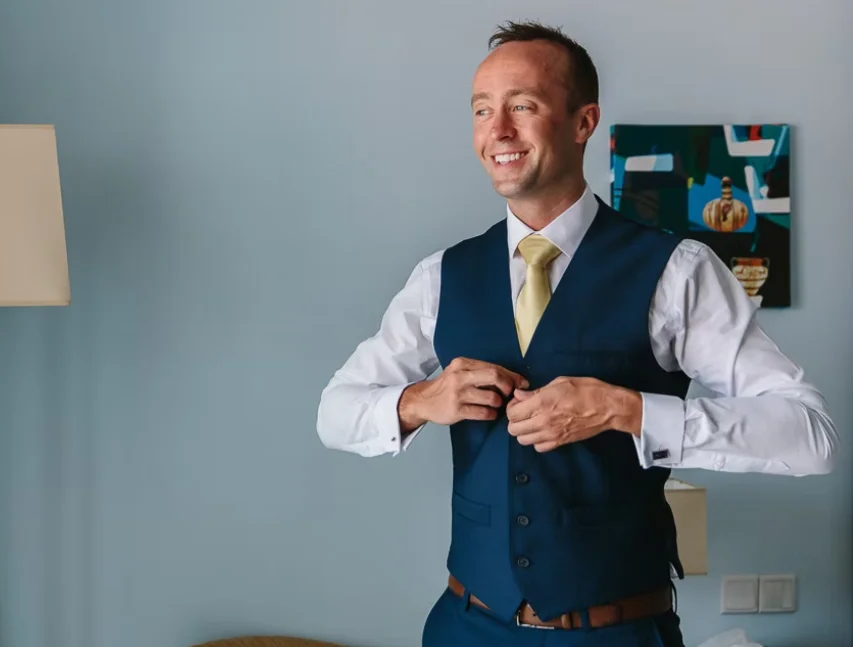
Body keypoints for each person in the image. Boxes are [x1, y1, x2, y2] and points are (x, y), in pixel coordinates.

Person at [316, 20, 837, 647]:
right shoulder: (439, 277)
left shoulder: (676, 270)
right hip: (465, 627)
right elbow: (334, 413)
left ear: (583, 121)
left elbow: (812, 436)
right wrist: (420, 401)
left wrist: (630, 411)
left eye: (523, 106)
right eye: (482, 110)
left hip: (614, 633)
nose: (497, 130)